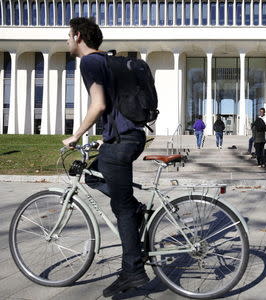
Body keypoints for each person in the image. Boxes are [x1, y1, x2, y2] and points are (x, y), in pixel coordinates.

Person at [62, 17, 149, 297]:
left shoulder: (89, 62)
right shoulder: (108, 60)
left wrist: (76, 135)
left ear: (78, 37)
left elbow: (98, 104)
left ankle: (133, 272)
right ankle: (135, 210)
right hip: (128, 137)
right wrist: (105, 136)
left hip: (123, 141)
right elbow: (113, 106)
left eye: (68, 36)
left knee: (121, 208)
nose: (66, 41)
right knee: (90, 173)